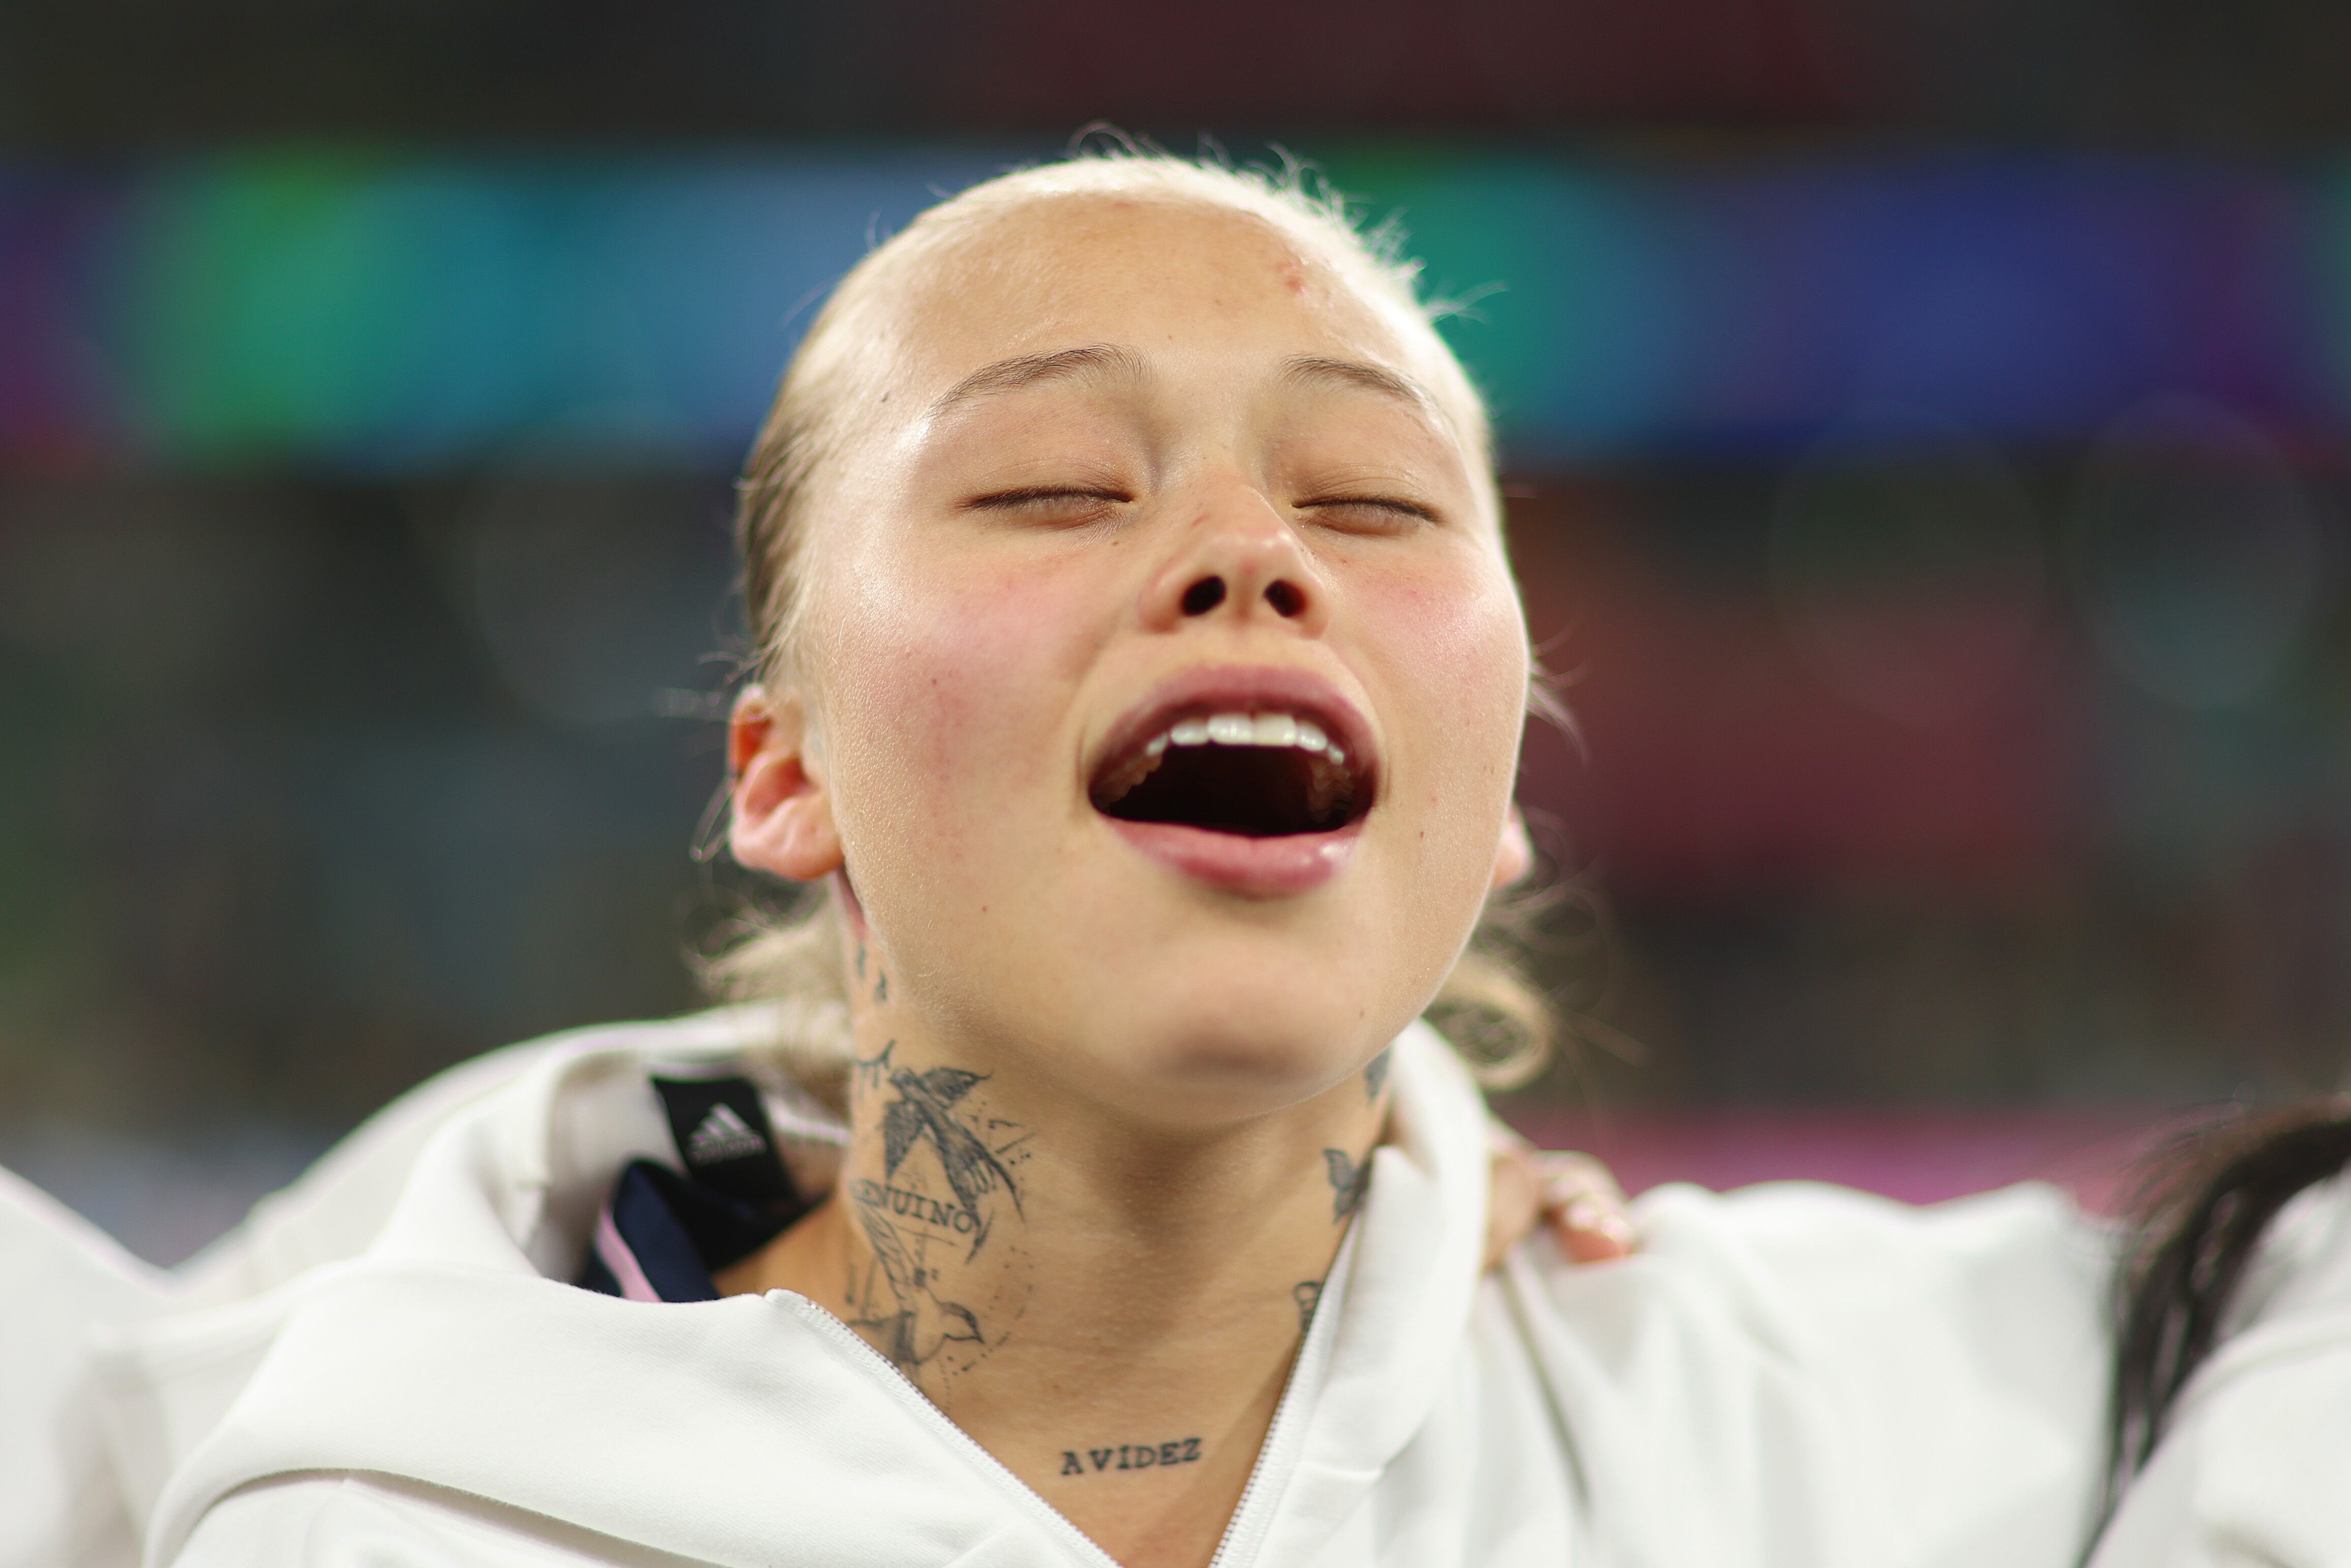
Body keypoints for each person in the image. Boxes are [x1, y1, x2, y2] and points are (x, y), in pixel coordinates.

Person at [4, 148, 2345, 1568]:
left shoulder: (1810, 1418)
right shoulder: (339, 1477)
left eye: (1375, 502)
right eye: (1051, 488)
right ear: (786, 772)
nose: (1250, 552)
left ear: (1494, 802)